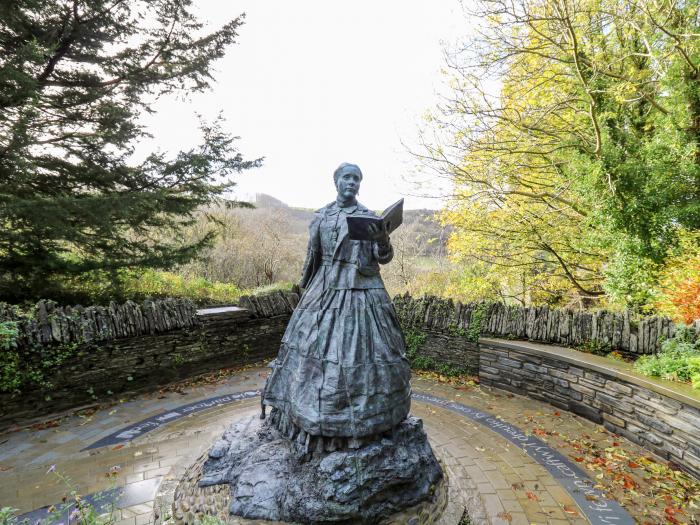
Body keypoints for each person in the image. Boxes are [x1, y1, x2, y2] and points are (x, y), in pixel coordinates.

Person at [261, 163, 411, 442]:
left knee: (361, 353)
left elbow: (384, 258)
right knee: (310, 349)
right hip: (324, 288)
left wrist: (383, 239)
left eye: (357, 179)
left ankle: (367, 417)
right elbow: (313, 256)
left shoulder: (367, 218)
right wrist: (306, 290)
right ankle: (304, 412)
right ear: (336, 182)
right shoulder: (320, 217)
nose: (352, 183)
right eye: (347, 177)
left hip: (360, 289)